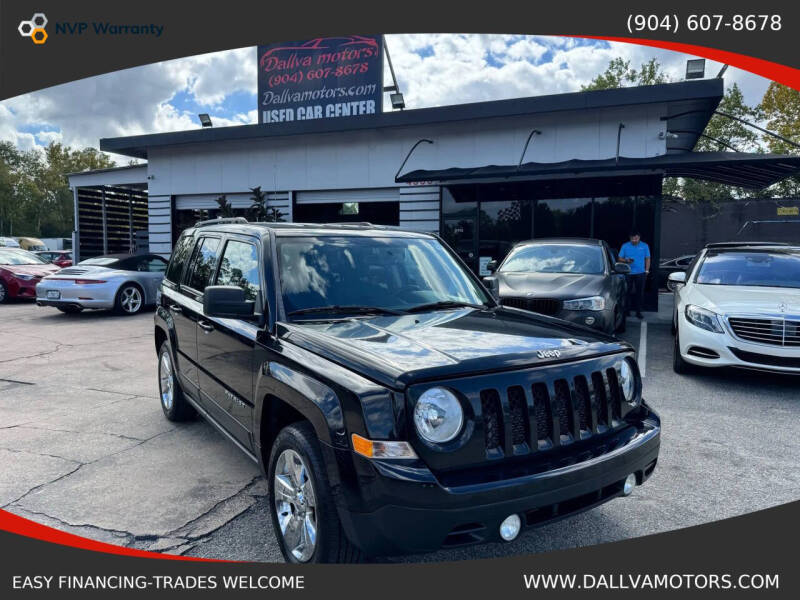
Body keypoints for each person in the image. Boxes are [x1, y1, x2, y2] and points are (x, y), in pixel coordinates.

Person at [619, 231, 650, 319]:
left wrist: (647, 270)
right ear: (630, 238)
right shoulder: (625, 246)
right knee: (626, 292)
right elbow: (619, 258)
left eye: (636, 238)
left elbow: (647, 258)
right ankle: (626, 311)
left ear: (639, 237)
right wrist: (626, 260)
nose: (634, 240)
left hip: (641, 273)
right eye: (633, 238)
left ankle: (638, 311)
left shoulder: (645, 246)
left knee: (640, 293)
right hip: (628, 273)